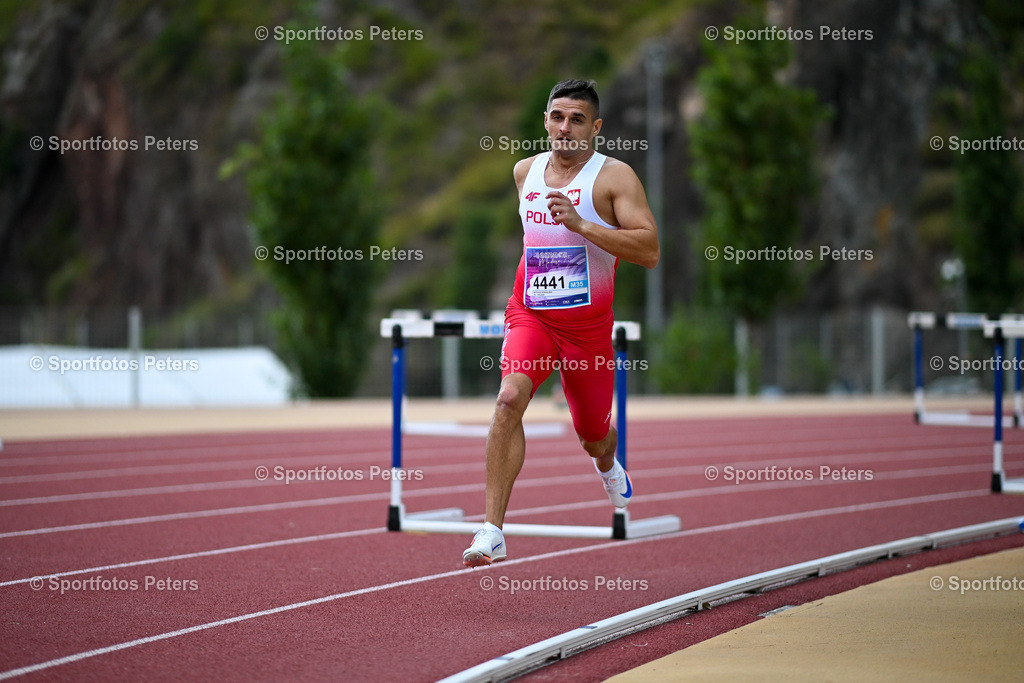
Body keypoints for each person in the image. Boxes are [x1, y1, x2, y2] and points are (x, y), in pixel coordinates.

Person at [463, 79, 660, 566]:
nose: (564, 128)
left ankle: (607, 463)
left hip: (588, 331)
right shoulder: (524, 171)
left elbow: (650, 250)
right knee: (509, 398)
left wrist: (584, 225)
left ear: (595, 127)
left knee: (593, 433)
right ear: (545, 121)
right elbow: (537, 241)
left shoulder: (614, 178)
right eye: (557, 117)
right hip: (531, 313)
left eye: (576, 120)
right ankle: (491, 529)